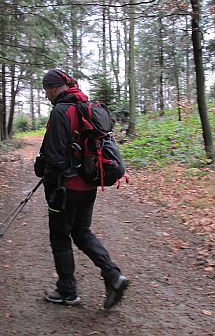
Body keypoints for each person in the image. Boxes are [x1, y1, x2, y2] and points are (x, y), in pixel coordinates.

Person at [34, 69, 129, 309]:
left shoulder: (61, 111)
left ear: (56, 87)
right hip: (89, 184)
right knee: (81, 232)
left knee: (60, 237)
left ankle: (67, 291)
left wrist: (50, 189)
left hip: (66, 189)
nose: (46, 95)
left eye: (47, 90)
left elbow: (55, 160)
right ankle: (113, 275)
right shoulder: (84, 105)